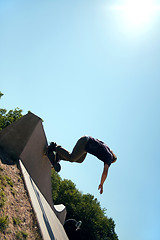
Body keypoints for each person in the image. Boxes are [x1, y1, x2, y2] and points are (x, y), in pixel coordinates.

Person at [48, 136, 117, 194]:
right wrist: (101, 184)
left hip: (86, 143)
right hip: (85, 143)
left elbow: (98, 141)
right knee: (72, 158)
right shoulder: (109, 158)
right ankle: (55, 147)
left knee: (80, 160)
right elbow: (105, 172)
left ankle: (59, 156)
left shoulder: (107, 149)